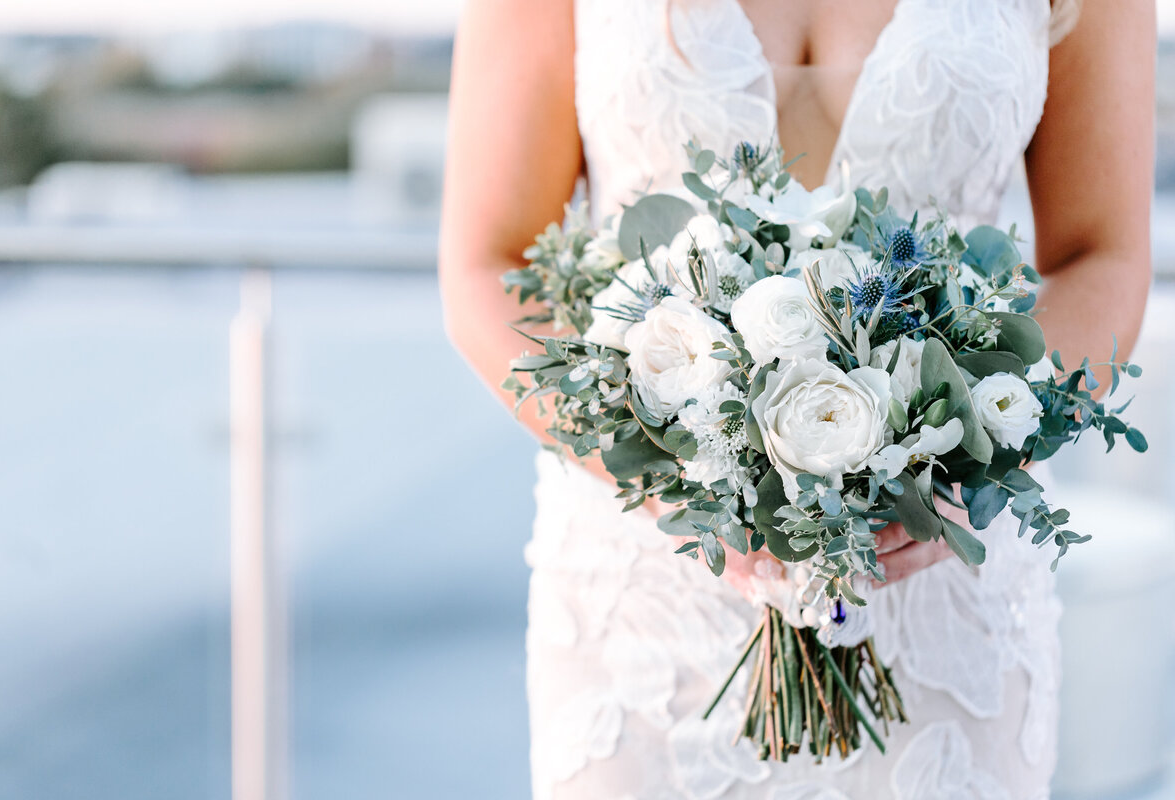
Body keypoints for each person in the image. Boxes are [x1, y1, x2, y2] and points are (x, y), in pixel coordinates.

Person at [439, 1, 1154, 797]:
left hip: (943, 588)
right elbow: (488, 263)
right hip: (646, 606)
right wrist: (668, 474)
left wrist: (958, 463)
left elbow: (1104, 254)